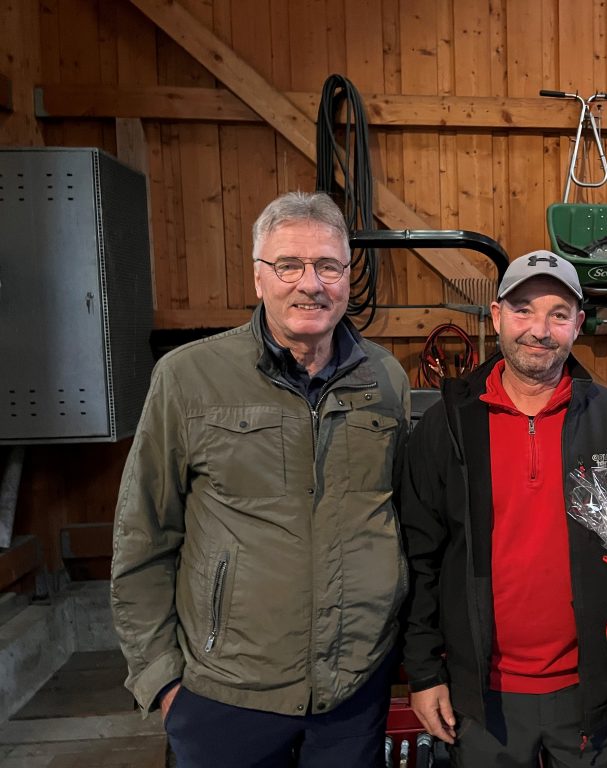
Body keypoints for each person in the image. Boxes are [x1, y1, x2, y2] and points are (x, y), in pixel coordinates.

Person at [110, 191, 410, 767]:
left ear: (348, 277)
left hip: (353, 691)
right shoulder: (188, 378)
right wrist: (161, 680)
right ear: (258, 277)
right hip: (226, 694)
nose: (310, 284)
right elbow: (143, 536)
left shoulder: (385, 378)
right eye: (288, 265)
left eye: (328, 266)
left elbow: (399, 519)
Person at [399, 251, 607, 767]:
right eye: (523, 310)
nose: (539, 330)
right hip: (482, 698)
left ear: (577, 325)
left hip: (592, 691)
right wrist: (424, 672)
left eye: (558, 314)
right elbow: (420, 557)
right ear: (497, 316)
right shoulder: (448, 425)